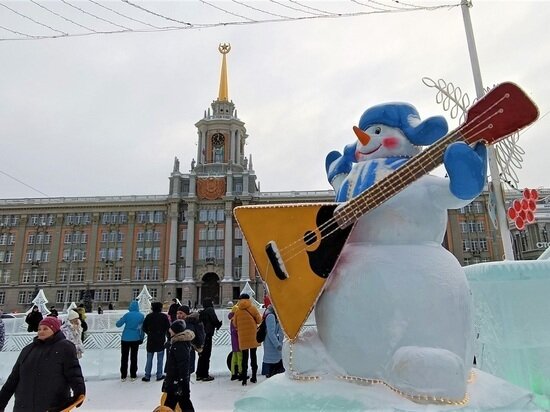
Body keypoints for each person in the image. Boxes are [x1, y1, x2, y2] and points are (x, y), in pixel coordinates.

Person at [0, 317, 86, 411]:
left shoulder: (64, 347)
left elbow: (74, 372)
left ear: (54, 330)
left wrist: (79, 392)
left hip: (52, 406)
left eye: (45, 329)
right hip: (23, 406)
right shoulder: (28, 350)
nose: (41, 331)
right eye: (39, 329)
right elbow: (13, 379)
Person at [162, 320, 195, 412]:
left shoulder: (179, 345)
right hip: (176, 380)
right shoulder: (176, 343)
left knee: (175, 403)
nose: (169, 330)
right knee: (182, 402)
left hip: (177, 381)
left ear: (175, 331)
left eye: (171, 329)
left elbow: (183, 365)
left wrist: (181, 382)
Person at [233, 293, 262, 385]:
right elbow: (259, 320)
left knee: (244, 358)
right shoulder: (252, 308)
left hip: (243, 337)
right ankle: (254, 377)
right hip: (253, 336)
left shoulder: (237, 311)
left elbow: (235, 324)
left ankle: (244, 379)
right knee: (253, 356)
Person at [116, 300, 145, 381]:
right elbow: (142, 329)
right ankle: (133, 375)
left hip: (125, 338)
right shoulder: (141, 316)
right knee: (134, 357)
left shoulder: (127, 315)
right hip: (135, 338)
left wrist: (122, 319)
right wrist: (141, 337)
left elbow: (118, 324)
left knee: (124, 357)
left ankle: (123, 375)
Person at [142, 301, 170, 382]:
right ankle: (159, 375)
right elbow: (168, 327)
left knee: (149, 358)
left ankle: (147, 375)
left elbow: (144, 328)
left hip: (151, 339)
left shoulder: (149, 316)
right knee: (160, 359)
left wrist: (150, 333)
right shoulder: (163, 317)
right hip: (160, 339)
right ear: (160, 308)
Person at [196, 297, 222, 381]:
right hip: (208, 334)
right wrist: (218, 324)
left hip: (202, 335)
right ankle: (205, 375)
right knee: (207, 355)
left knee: (202, 354)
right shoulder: (210, 310)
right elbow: (214, 320)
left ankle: (199, 373)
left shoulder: (202, 312)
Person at [176, 305, 205, 376]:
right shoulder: (179, 323)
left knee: (185, 374)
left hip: (187, 350)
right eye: (177, 313)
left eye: (181, 313)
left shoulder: (189, 323)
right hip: (179, 351)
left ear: (186, 314)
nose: (178, 315)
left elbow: (189, 336)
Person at [261, 304, 285, 378]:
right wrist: (277, 345)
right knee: (274, 372)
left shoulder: (275, 315)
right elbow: (271, 333)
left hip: (274, 347)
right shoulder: (271, 316)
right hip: (272, 347)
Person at [228, 304, 242, 380]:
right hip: (238, 341)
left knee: (234, 358)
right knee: (240, 358)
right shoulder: (236, 320)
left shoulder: (231, 320)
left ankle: (233, 373)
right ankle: (240, 372)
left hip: (234, 342)